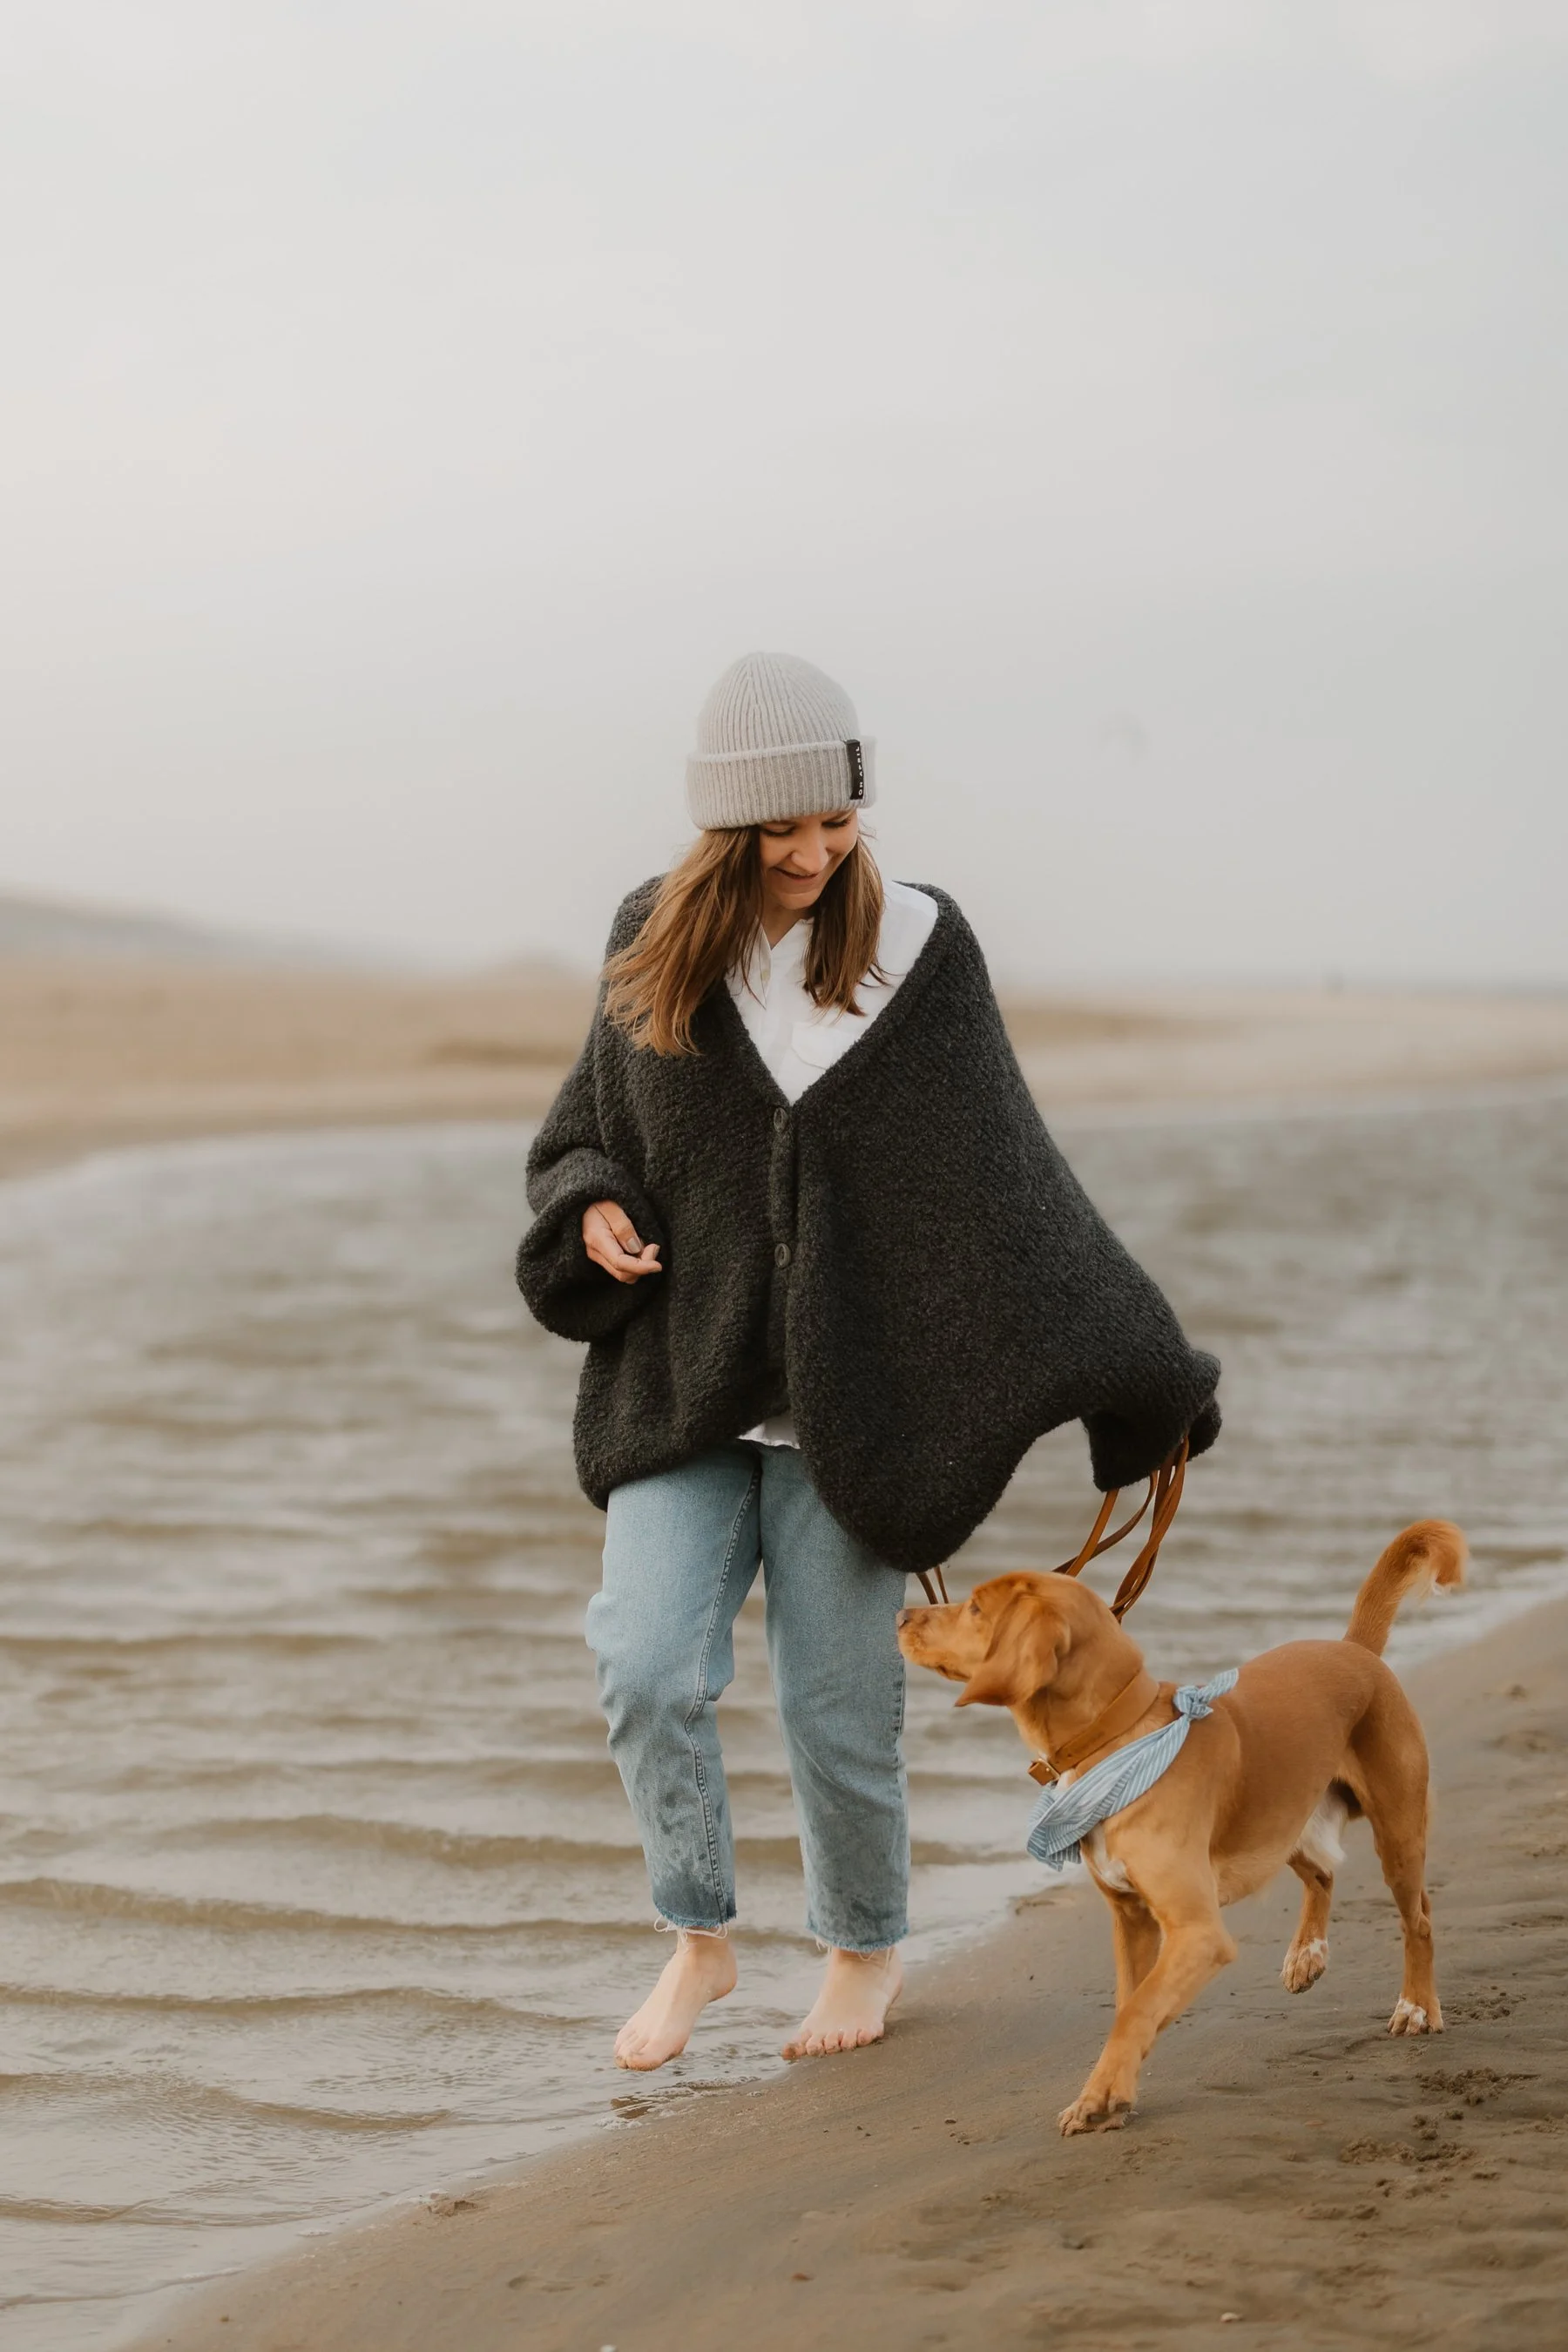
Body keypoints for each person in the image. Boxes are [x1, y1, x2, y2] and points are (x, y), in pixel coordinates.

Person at [517, 651, 1220, 2072]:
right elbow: (583, 1129)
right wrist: (589, 1205)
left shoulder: (916, 944)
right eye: (779, 830)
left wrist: (1145, 1367)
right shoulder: (653, 939)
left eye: (834, 820)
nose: (812, 852)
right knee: (647, 1668)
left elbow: (1010, 1181)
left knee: (842, 1715)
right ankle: (699, 1941)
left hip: (859, 1414)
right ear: (724, 830)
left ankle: (860, 1952)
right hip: (687, 1391)